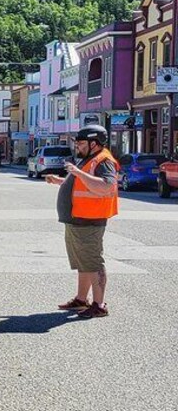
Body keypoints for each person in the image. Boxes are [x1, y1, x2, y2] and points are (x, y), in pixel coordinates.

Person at [46, 125, 118, 318]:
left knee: (93, 262)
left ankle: (99, 305)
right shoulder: (89, 159)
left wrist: (77, 172)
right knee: (82, 262)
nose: (77, 146)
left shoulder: (103, 161)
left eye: (81, 143)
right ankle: (81, 299)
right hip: (78, 219)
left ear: (94, 143)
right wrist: (61, 181)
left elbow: (105, 187)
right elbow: (84, 185)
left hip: (90, 220)